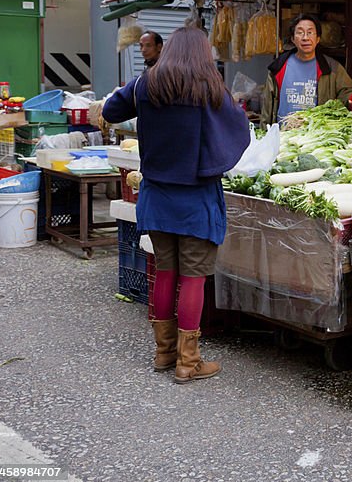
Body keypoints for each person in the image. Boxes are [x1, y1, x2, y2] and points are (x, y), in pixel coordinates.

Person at [103, 27, 250, 384]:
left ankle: (163, 352)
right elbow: (241, 132)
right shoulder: (210, 89)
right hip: (196, 198)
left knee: (165, 271)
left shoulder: (146, 84)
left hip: (156, 197)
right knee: (194, 277)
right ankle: (189, 361)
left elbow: (110, 110)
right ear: (203, 54)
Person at [262, 14, 352, 125]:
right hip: (283, 136)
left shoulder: (332, 68)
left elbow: (346, 92)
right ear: (293, 39)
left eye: (310, 32)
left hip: (315, 136)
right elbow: (267, 108)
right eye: (300, 32)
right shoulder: (278, 67)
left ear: (318, 39)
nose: (305, 37)